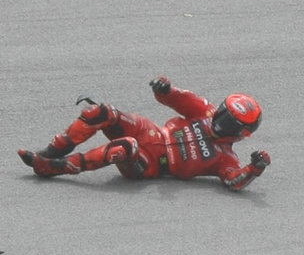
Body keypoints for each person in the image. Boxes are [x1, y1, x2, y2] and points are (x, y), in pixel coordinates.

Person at [18, 77, 270, 191]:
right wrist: (164, 88)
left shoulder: (225, 158)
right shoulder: (205, 111)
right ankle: (50, 152)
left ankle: (52, 167)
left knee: (124, 148)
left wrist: (254, 168)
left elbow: (234, 181)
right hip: (150, 131)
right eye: (222, 114)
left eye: (228, 123)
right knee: (101, 112)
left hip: (152, 164)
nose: (219, 122)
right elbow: (177, 98)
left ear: (241, 134)